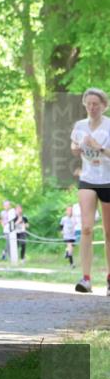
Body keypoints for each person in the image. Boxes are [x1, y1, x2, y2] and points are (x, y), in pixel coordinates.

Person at [70, 88, 110, 294]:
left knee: (108, 232)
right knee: (86, 228)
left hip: (108, 180)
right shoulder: (80, 126)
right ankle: (86, 278)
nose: (92, 107)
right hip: (88, 179)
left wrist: (98, 147)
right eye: (89, 104)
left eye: (96, 104)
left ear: (104, 106)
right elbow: (74, 144)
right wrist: (76, 148)